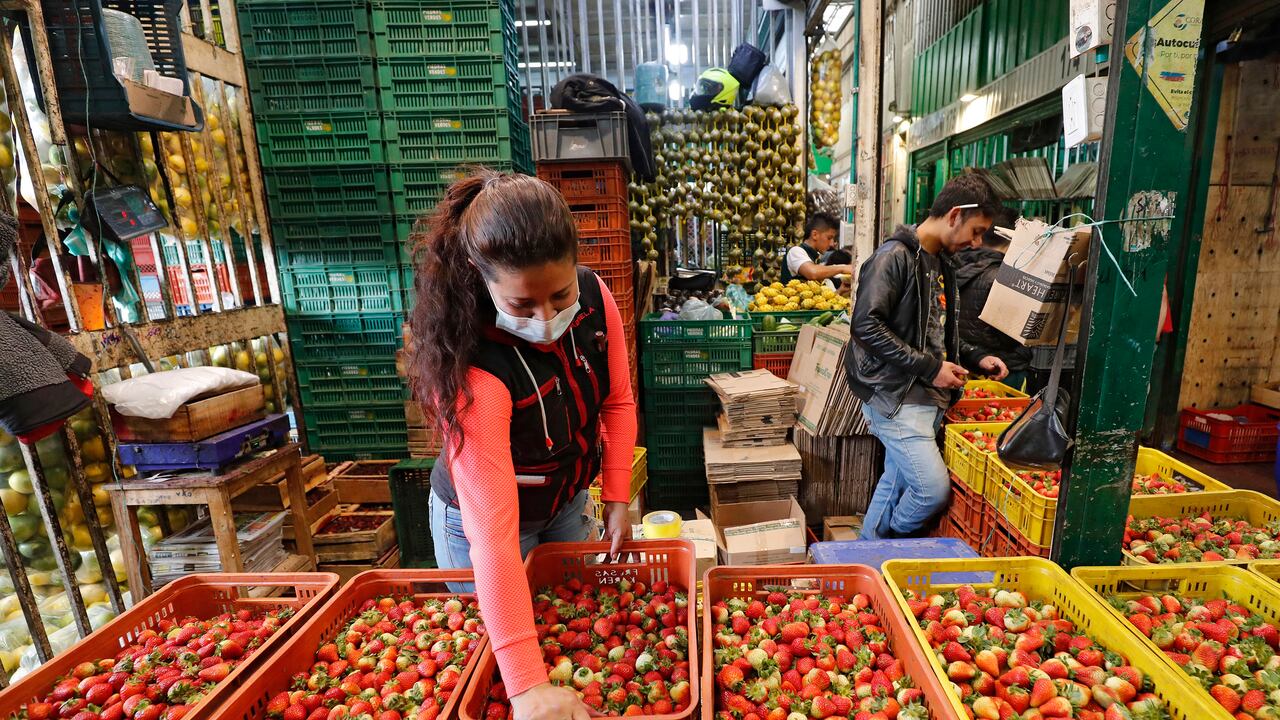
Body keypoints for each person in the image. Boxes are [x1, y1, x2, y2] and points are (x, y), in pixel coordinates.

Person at [407, 169, 637, 720]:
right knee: (500, 671)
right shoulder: (474, 366)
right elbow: (494, 535)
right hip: (483, 528)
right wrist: (528, 684)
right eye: (522, 305)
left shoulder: (595, 297)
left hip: (565, 502)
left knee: (572, 626)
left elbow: (618, 401)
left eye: (560, 296)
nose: (547, 318)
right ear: (481, 279)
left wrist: (617, 495)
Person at [844, 174, 1010, 540]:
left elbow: (933, 330)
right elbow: (866, 326)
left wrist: (976, 357)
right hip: (895, 397)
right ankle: (891, 542)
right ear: (955, 215)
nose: (976, 242)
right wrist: (931, 368)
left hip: (921, 396)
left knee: (895, 481)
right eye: (977, 231)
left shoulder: (940, 262)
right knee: (931, 492)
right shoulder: (893, 258)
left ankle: (868, 547)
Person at [954, 207, 1032, 390]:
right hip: (1001, 372)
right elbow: (1012, 335)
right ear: (1012, 238)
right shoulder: (1005, 279)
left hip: (963, 368)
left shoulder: (955, 266)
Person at [783, 212, 852, 283]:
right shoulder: (795, 251)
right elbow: (813, 272)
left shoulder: (815, 258)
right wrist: (842, 268)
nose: (831, 244)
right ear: (815, 235)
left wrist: (841, 289)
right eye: (829, 238)